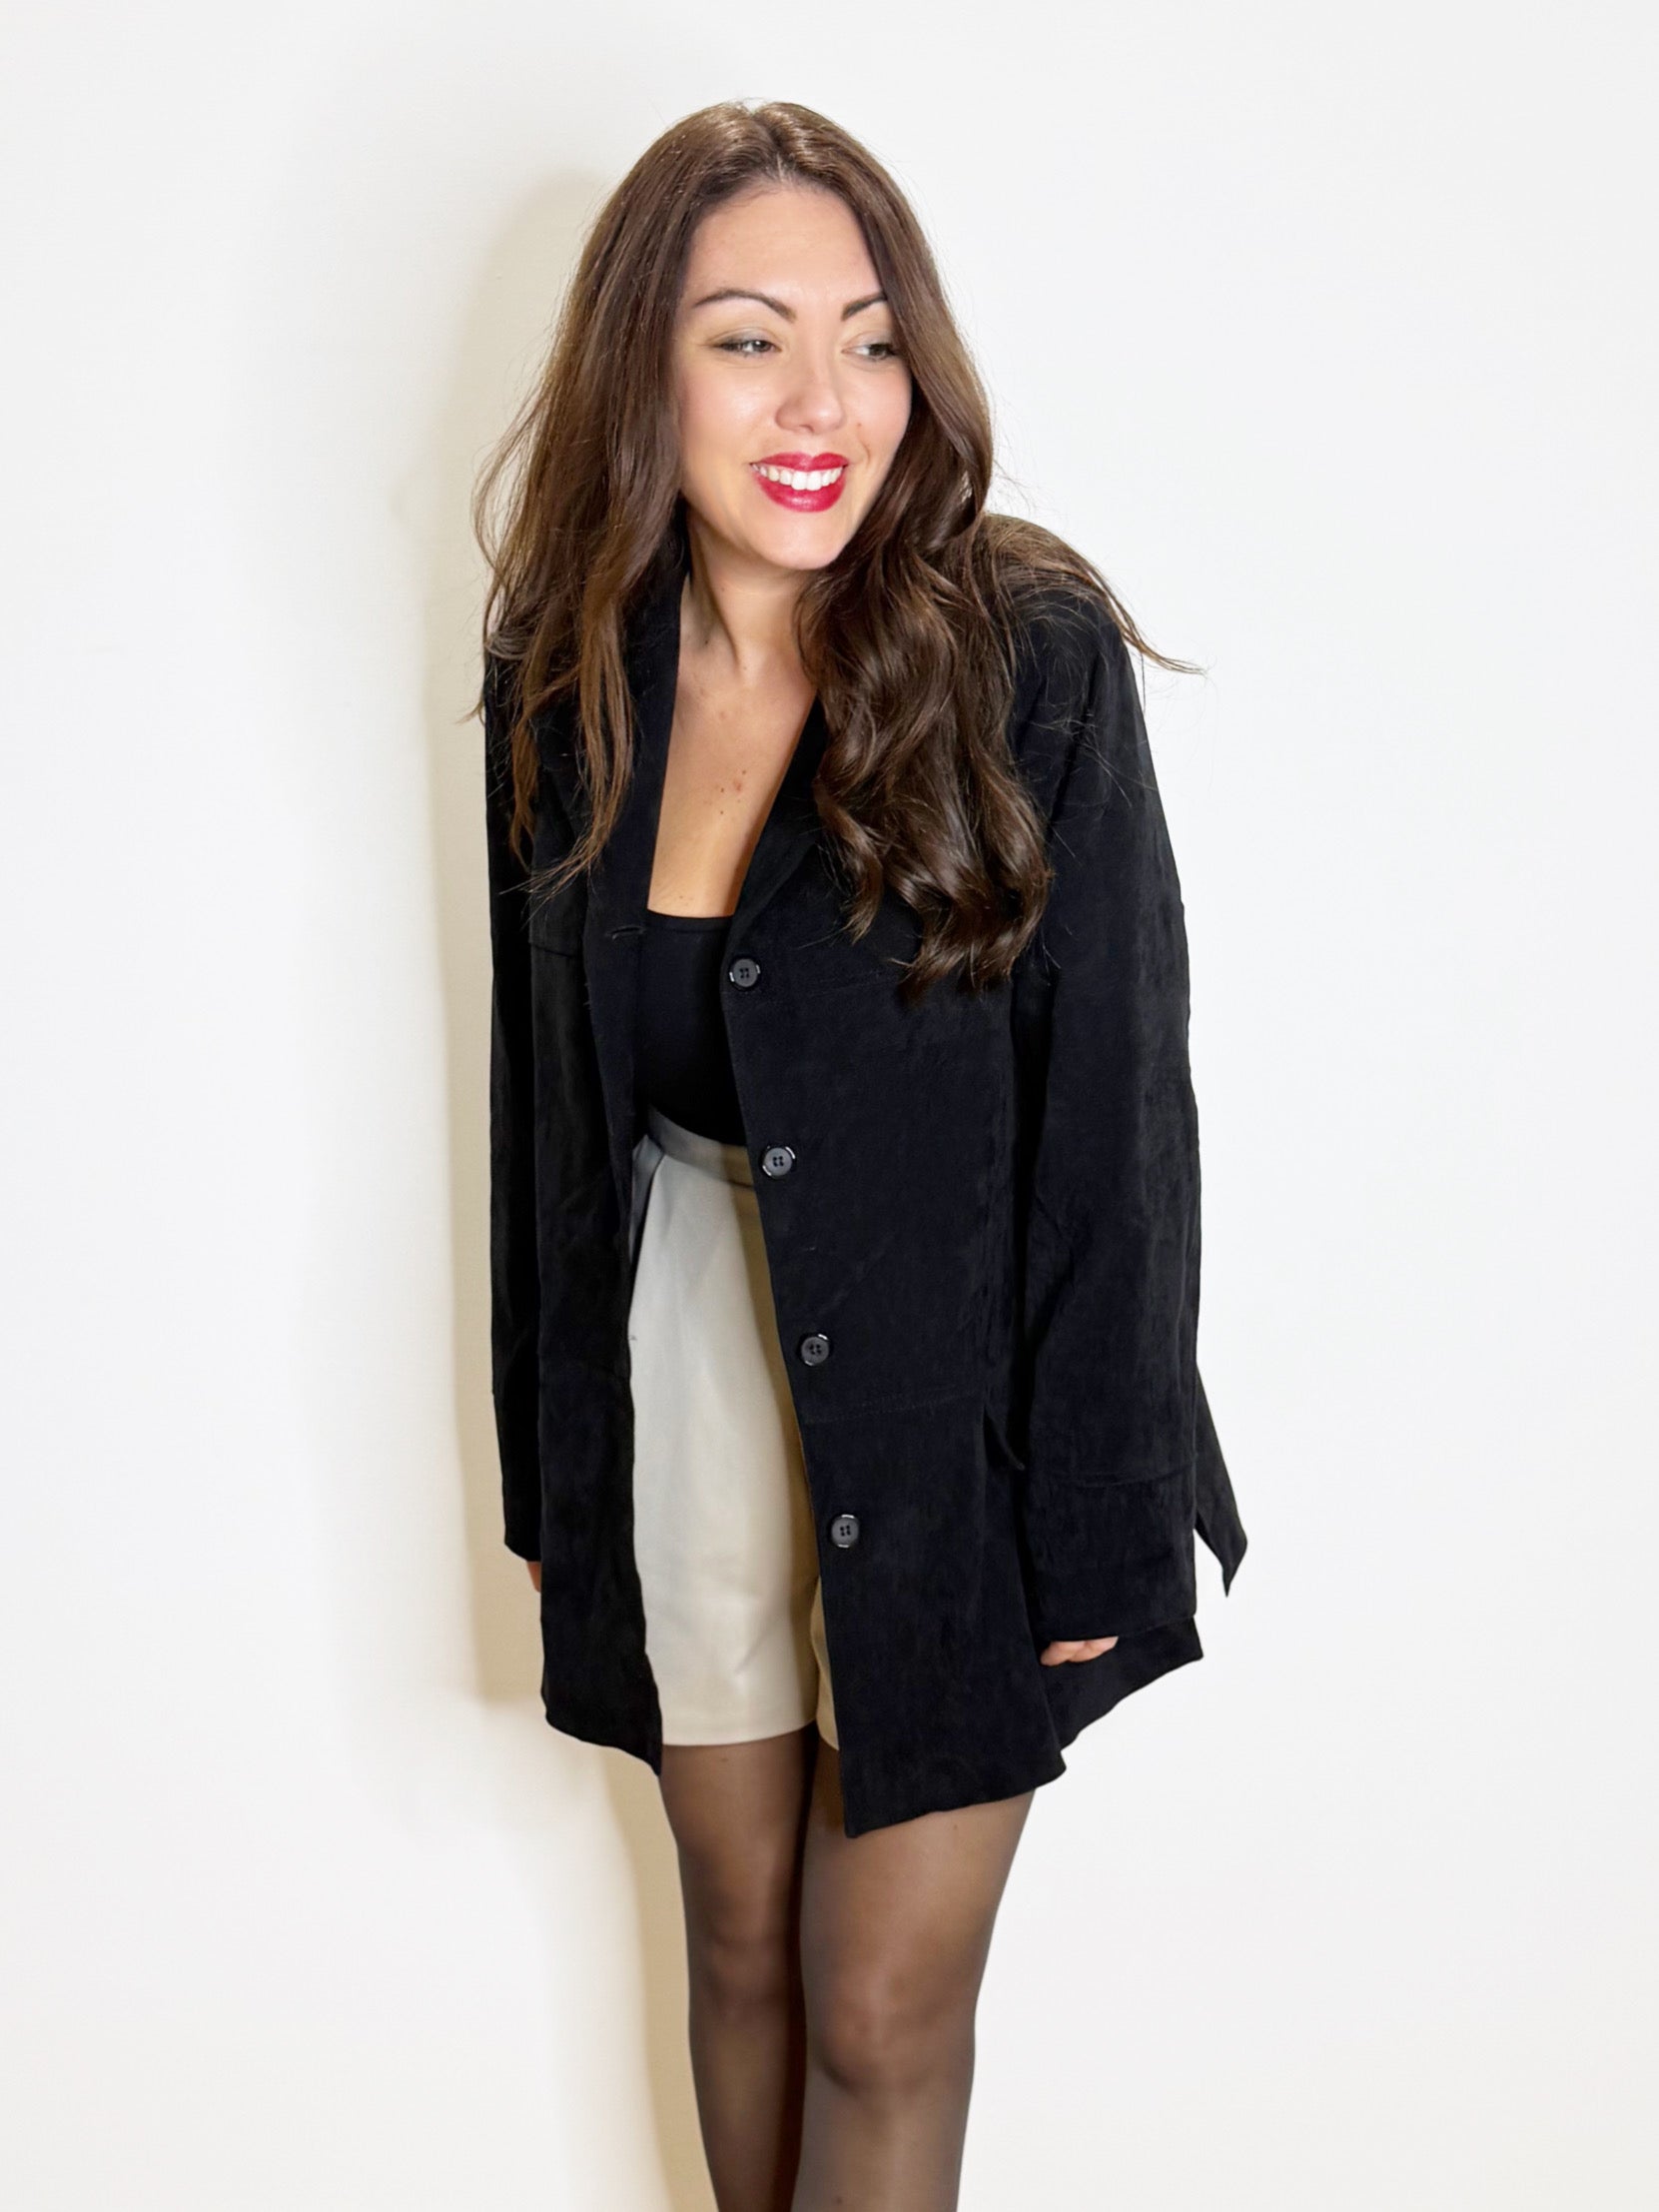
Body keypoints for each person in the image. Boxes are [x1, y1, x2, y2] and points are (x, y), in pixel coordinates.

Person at [474, 97, 1246, 2212]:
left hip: (962, 1383)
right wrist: (553, 1455)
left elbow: (1120, 1119)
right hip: (681, 1346)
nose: (824, 403)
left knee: (884, 2007)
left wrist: (1096, 1513)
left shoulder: (1028, 660)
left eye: (871, 338)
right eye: (749, 339)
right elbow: (543, 1093)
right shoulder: (565, 669)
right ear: (642, 368)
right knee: (737, 1942)